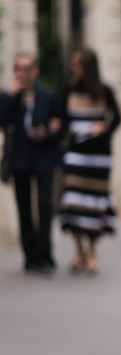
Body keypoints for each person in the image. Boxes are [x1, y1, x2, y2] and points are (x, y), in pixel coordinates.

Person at [59, 48, 121, 276]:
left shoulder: (105, 91)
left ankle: (93, 253)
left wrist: (104, 128)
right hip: (76, 154)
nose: (73, 68)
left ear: (88, 67)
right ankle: (79, 252)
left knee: (94, 205)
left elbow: (118, 118)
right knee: (74, 202)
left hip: (98, 157)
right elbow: (62, 119)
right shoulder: (69, 89)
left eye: (77, 64)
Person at [0, 53, 64, 273]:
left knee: (45, 206)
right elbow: (1, 120)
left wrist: (47, 133)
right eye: (18, 69)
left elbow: (60, 125)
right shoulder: (9, 97)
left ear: (35, 71)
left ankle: (45, 255)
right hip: (20, 160)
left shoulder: (48, 95)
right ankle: (30, 257)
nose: (22, 74)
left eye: (26, 69)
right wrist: (10, 96)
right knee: (24, 209)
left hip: (44, 158)